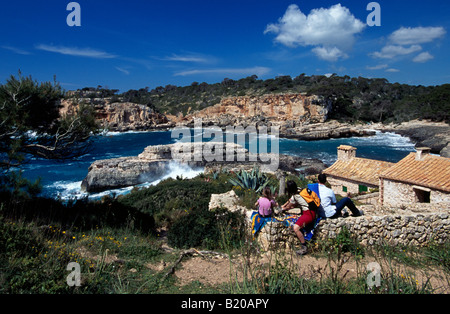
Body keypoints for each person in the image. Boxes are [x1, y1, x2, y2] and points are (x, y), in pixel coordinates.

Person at [281, 181, 318, 255]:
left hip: (308, 214)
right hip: (312, 212)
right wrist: (285, 205)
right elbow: (291, 201)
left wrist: (282, 208)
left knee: (296, 228)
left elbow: (290, 205)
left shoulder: (296, 196)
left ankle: (304, 246)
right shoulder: (300, 190)